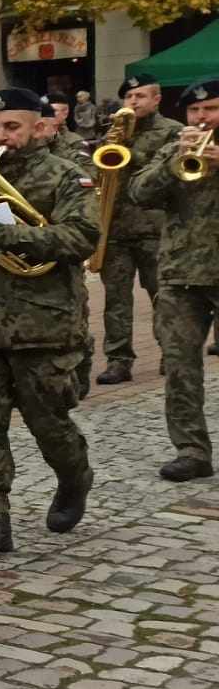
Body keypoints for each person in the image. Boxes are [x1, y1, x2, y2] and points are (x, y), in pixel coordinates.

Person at [0, 89, 99, 558]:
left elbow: (83, 235)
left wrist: (9, 234)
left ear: (39, 127)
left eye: (12, 127)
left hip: (43, 323)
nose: (1, 136)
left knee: (49, 423)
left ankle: (74, 476)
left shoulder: (67, 175)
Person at [128, 78, 219, 481]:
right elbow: (138, 192)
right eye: (196, 111)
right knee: (181, 366)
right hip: (181, 273)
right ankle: (191, 449)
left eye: (211, 109)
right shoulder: (174, 147)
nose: (202, 118)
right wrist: (171, 165)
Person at [95, 71, 182, 386]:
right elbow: (99, 170)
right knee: (115, 299)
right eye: (129, 97)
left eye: (140, 96)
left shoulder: (173, 131)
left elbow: (168, 172)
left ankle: (170, 352)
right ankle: (118, 360)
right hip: (116, 227)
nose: (133, 101)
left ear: (156, 99)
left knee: (162, 295)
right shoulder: (113, 133)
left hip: (153, 227)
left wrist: (132, 152)